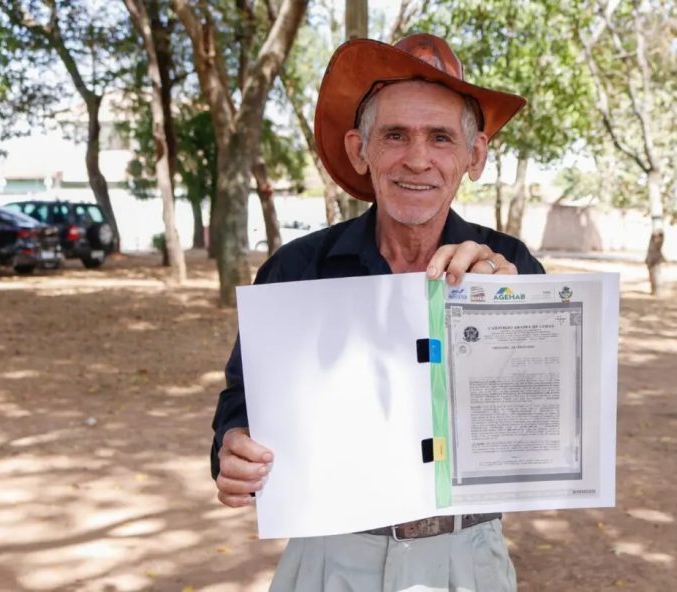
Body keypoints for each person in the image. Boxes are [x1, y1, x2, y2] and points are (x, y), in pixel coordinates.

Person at [211, 34, 544, 591]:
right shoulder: (296, 270)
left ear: (475, 156)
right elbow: (241, 403)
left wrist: (506, 313)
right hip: (329, 558)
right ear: (360, 150)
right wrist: (232, 445)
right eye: (395, 135)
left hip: (466, 559)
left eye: (440, 137)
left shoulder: (511, 268)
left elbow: (536, 424)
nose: (417, 158)